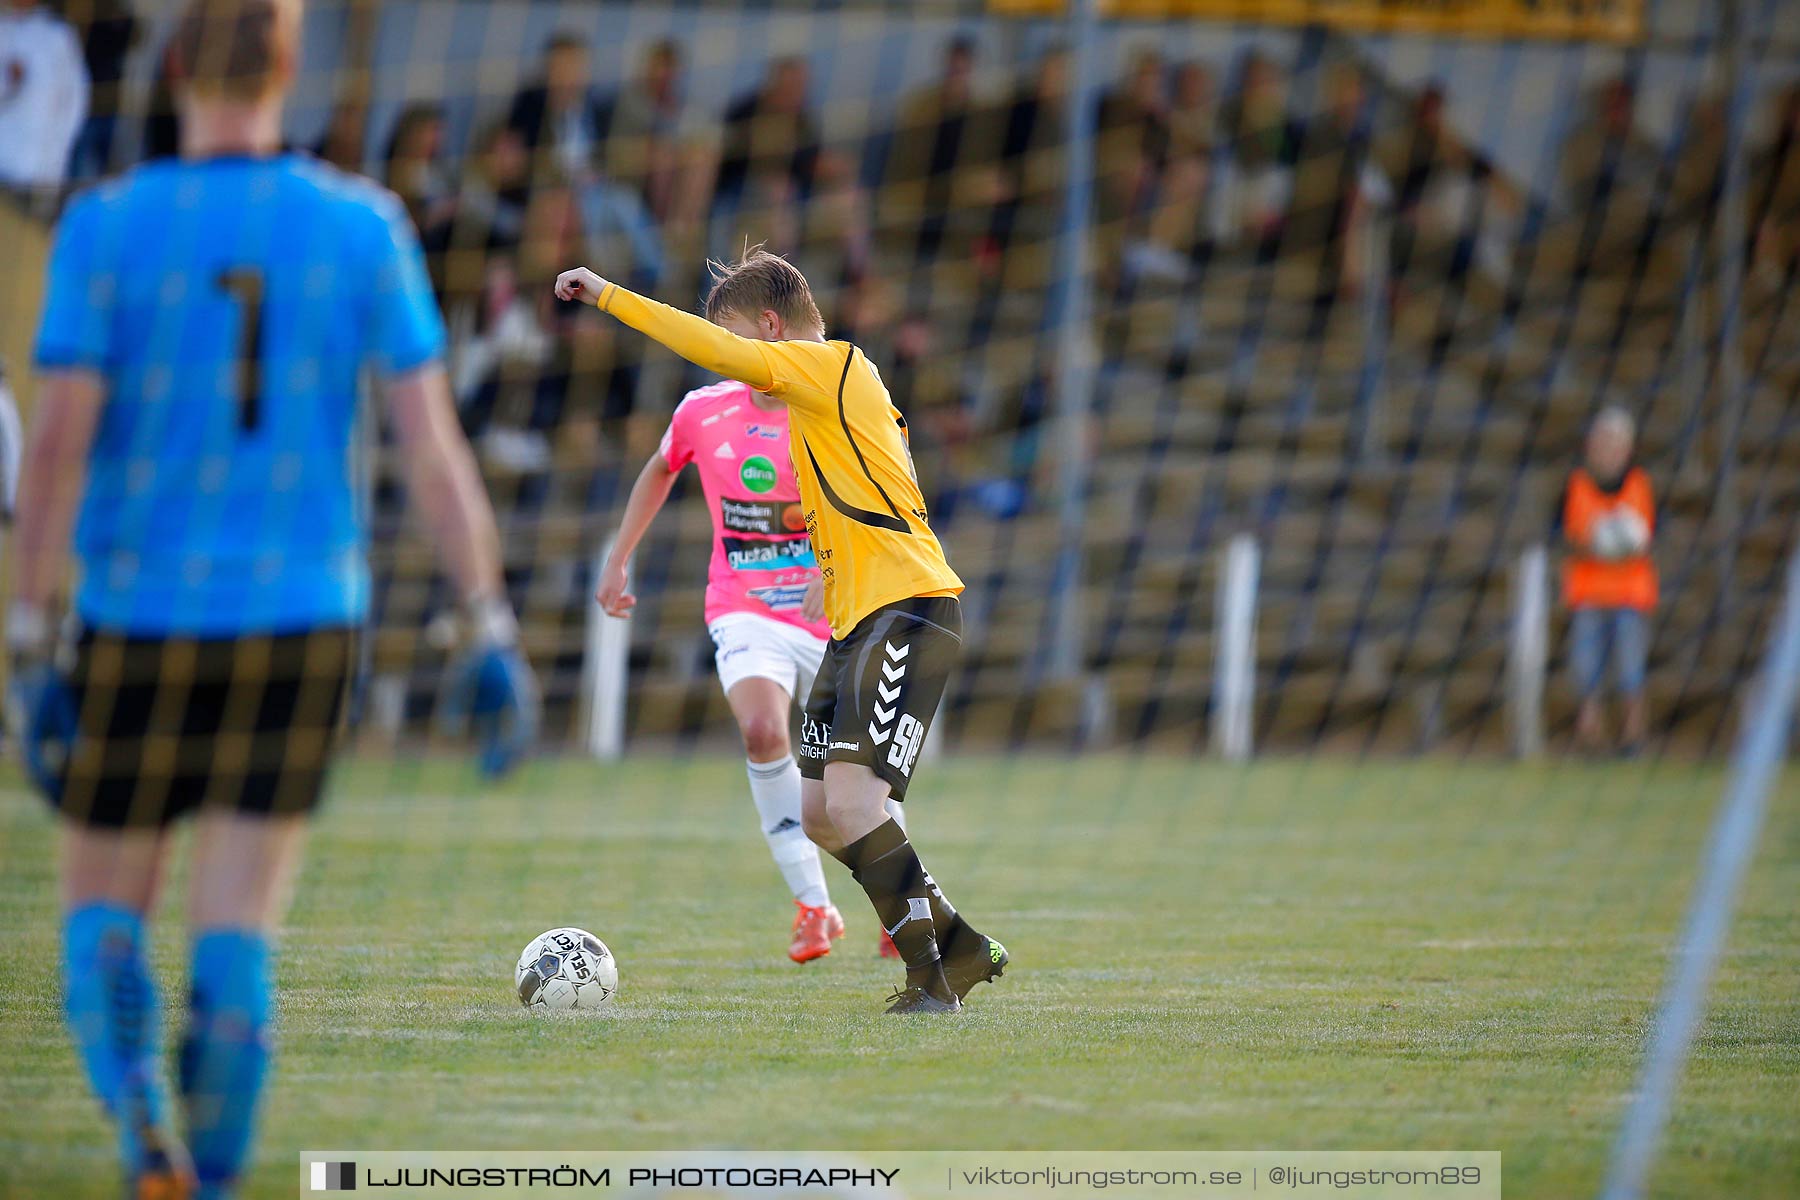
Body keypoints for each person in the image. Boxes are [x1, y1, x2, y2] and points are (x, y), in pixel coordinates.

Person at [5, 1, 539, 1195]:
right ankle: (218, 1171)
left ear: (178, 64)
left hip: (141, 620)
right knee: (235, 925)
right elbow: (432, 448)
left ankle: (146, 1130)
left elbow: (54, 455)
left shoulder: (105, 227)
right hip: (303, 626)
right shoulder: (359, 226)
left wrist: (30, 636)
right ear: (291, 69)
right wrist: (486, 622)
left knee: (102, 920)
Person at [556, 249, 1007, 1015]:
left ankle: (934, 979)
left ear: (771, 328)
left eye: (741, 343)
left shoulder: (828, 367)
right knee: (820, 811)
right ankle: (956, 940)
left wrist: (607, 297)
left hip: (908, 608)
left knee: (860, 805)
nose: (738, 369)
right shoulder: (820, 397)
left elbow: (717, 354)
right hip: (856, 620)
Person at [595, 376, 911, 962]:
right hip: (745, 608)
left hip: (837, 613)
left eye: (735, 332)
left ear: (770, 327)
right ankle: (813, 905)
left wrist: (834, 564)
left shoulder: (831, 407)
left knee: (862, 767)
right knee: (763, 732)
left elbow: (887, 494)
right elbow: (661, 468)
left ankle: (901, 898)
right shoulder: (702, 410)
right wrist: (619, 559)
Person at [1561, 406, 1657, 755]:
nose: (1607, 451)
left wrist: (1618, 545)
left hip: (1630, 596)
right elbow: (1572, 537)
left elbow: (1642, 538)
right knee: (1587, 672)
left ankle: (1634, 738)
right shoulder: (1577, 485)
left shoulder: (1638, 485)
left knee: (1631, 670)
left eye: (1614, 444)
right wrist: (1597, 545)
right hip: (1588, 595)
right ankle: (1591, 738)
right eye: (1602, 443)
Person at [0, 0, 91, 192]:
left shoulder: (58, 34)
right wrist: (8, 82)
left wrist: (61, 144)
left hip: (43, 165)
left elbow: (76, 97)